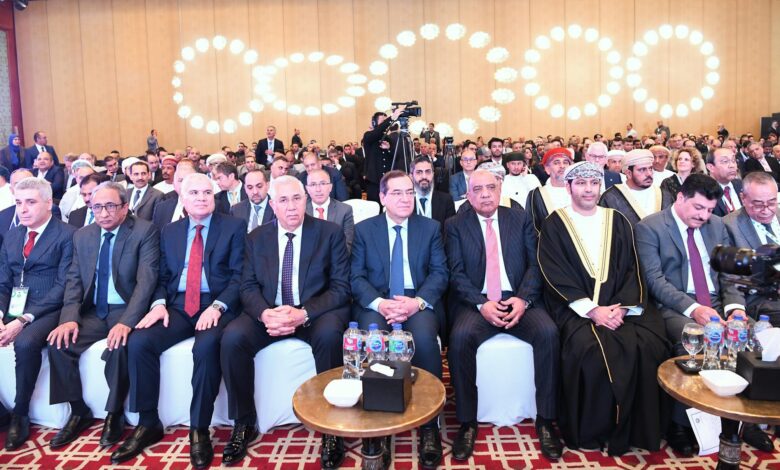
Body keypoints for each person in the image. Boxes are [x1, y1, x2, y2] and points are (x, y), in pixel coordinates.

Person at [112, 174, 245, 466]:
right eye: (194, 193)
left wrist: (218, 306)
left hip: (215, 304)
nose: (201, 198)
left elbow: (240, 276)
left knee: (206, 348)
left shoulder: (233, 227)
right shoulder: (169, 231)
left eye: (207, 192)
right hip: (177, 305)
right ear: (182, 199)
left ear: (214, 197)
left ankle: (199, 428)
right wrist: (158, 304)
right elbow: (160, 277)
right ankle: (148, 422)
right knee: (139, 342)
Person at [538, 161, 669, 455]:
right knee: (589, 350)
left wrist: (622, 308)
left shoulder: (618, 220)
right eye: (581, 183)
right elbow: (554, 272)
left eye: (594, 183)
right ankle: (594, 431)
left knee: (649, 344)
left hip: (622, 305)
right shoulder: (554, 223)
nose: (588, 189)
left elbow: (632, 268)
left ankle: (639, 429)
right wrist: (592, 310)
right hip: (576, 308)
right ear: (569, 187)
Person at [219, 176, 350, 467]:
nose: (291, 207)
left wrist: (303, 313)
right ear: (273, 205)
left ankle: (332, 429)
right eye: (283, 200)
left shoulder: (329, 233)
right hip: (270, 311)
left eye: (296, 199)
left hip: (314, 312)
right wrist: (265, 314)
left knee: (330, 335)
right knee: (232, 338)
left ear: (306, 200)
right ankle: (243, 422)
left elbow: (341, 288)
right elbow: (247, 287)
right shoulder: (256, 237)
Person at [446, 169, 562, 461]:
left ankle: (546, 420)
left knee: (548, 333)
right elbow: (455, 273)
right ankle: (467, 422)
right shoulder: (454, 225)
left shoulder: (520, 219)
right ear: (468, 195)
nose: (485, 194)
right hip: (478, 302)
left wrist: (523, 299)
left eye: (490, 188)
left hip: (518, 298)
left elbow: (536, 265)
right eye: (477, 190)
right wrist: (480, 304)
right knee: (460, 338)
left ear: (500, 191)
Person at [635, 174, 746, 456]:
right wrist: (694, 309)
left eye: (709, 209)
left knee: (750, 337)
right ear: (680, 197)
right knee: (696, 339)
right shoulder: (650, 227)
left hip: (716, 302)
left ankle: (740, 419)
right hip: (675, 306)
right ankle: (680, 425)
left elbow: (729, 274)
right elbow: (655, 281)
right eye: (698, 207)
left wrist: (735, 309)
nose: (704, 216)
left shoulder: (717, 225)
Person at [46, 182, 159, 449]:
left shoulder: (144, 231)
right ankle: (79, 411)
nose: (104, 213)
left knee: (119, 347)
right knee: (58, 343)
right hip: (94, 310)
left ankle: (114, 413)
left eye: (110, 206)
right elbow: (74, 280)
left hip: (125, 308)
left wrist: (127, 322)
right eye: (97, 207)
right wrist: (69, 318)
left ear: (125, 207)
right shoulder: (83, 235)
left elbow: (146, 283)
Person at [351, 170, 448, 468]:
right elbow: (356, 277)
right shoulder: (365, 230)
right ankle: (378, 427)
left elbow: (440, 273)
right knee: (375, 341)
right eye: (397, 193)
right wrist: (381, 304)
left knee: (424, 340)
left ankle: (430, 425)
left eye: (409, 192)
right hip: (378, 299)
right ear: (382, 197)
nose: (405, 198)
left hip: (417, 299)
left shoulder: (430, 228)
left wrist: (416, 303)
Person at [0, 177, 75, 450]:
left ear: (48, 203)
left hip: (50, 308)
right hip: (13, 305)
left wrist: (22, 320)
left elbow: (63, 286)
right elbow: (3, 282)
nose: (23, 209)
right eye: (19, 202)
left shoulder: (67, 234)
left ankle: (20, 413)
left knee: (25, 342)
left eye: (30, 202)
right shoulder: (13, 234)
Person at [720, 171, 780, 452]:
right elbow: (731, 277)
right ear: (743, 198)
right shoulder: (729, 225)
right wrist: (736, 309)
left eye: (772, 202)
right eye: (758, 204)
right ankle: (751, 422)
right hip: (758, 298)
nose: (766, 210)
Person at [598, 149, 674, 227]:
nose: (649, 174)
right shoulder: (611, 198)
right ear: (628, 173)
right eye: (642, 170)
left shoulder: (664, 195)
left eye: (650, 169)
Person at [363, 106, 406, 202]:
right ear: (374, 123)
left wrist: (389, 149)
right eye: (383, 121)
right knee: (375, 205)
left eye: (385, 122)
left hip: (387, 180)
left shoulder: (388, 139)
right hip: (374, 180)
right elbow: (376, 132)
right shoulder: (368, 135)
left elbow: (396, 157)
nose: (385, 124)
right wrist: (391, 118)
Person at [305, 168, 354, 251]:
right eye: (313, 184)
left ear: (330, 187)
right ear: (307, 189)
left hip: (335, 257)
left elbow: (347, 245)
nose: (318, 189)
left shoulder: (345, 210)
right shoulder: (301, 210)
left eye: (323, 184)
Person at [526, 148, 573, 234]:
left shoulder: (581, 192)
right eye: (556, 163)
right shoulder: (536, 195)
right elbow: (531, 228)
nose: (562, 166)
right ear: (547, 169)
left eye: (565, 162)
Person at [410, 156, 454, 231]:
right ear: (411, 176)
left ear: (433, 174)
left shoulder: (446, 200)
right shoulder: (405, 201)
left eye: (428, 172)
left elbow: (450, 232)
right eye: (419, 172)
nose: (424, 176)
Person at [706, 148, 743, 217]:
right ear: (711, 167)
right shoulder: (704, 192)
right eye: (725, 161)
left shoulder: (741, 185)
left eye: (733, 160)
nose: (732, 165)